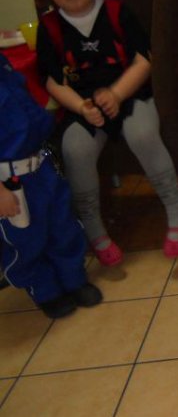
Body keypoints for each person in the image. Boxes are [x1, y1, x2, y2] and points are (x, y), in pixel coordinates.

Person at [32, 0, 178, 266]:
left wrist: (117, 94)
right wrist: (81, 107)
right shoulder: (48, 28)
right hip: (83, 106)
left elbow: (143, 61)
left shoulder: (118, 12)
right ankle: (94, 228)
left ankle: (176, 209)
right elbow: (52, 81)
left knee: (143, 134)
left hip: (130, 96)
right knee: (75, 149)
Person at [0, 51, 102, 319]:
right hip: (8, 181)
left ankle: (74, 279)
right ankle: (45, 290)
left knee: (62, 224)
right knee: (26, 241)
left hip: (40, 163)